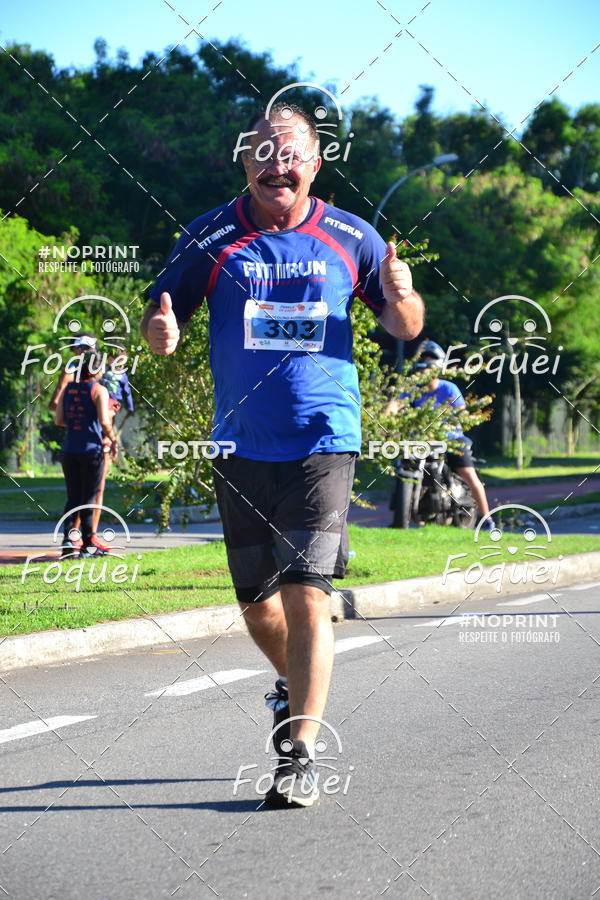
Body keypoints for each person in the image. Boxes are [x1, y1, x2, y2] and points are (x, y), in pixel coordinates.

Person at [142, 103, 424, 806]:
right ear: (246, 161)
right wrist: (160, 330)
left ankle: (299, 751)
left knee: (305, 593)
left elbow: (404, 325)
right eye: (264, 152)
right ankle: (291, 688)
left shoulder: (351, 237)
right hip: (240, 445)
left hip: (324, 438)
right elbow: (160, 314)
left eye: (292, 153)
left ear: (315, 163)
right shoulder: (210, 234)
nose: (279, 165)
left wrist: (405, 297)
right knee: (256, 605)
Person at [387, 340, 493, 526]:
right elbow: (397, 404)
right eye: (421, 368)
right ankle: (410, 511)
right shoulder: (413, 390)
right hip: (421, 441)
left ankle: (487, 519)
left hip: (451, 439)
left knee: (468, 473)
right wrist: (388, 413)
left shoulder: (449, 388)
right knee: (402, 462)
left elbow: (461, 413)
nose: (424, 373)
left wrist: (451, 424)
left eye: (428, 368)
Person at [55, 351, 118, 558]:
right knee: (89, 498)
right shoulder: (99, 390)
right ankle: (89, 544)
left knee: (73, 497)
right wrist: (114, 439)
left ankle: (68, 540)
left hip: (69, 449)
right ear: (96, 369)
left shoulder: (68, 389)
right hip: (92, 451)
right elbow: (104, 422)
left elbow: (59, 421)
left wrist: (78, 422)